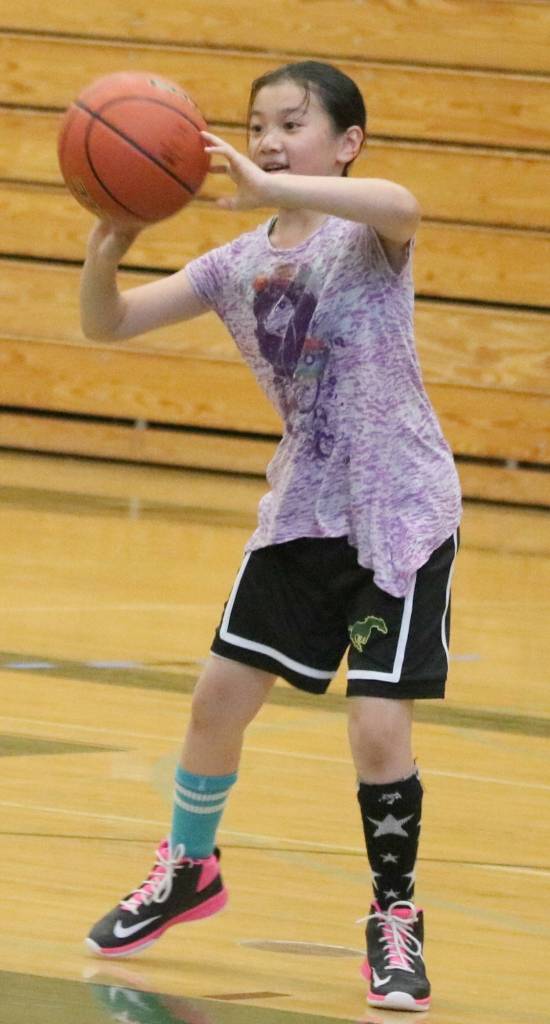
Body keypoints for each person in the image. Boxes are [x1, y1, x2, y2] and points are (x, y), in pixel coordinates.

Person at [81, 60, 462, 1013]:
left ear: (345, 142)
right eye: (257, 125)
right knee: (217, 701)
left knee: (378, 730)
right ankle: (187, 872)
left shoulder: (364, 237)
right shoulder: (233, 263)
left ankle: (393, 918)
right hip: (303, 510)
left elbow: (403, 201)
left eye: (292, 123)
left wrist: (279, 184)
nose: (267, 139)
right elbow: (109, 324)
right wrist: (108, 247)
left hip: (398, 510)